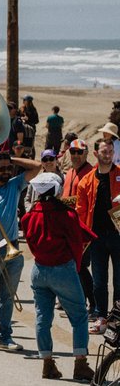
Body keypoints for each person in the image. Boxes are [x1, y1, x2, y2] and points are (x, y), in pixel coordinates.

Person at [22, 172, 94, 380]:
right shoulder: (67, 215)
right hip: (62, 269)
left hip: (39, 269)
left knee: (42, 318)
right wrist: (75, 265)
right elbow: (76, 242)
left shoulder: (29, 215)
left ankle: (47, 363)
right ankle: (80, 363)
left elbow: (31, 242)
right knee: (79, 316)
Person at [74, 137, 120, 333]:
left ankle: (116, 319)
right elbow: (80, 211)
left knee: (119, 279)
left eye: (110, 151)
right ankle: (101, 316)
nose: (108, 155)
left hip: (118, 235)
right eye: (104, 151)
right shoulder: (86, 181)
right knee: (100, 280)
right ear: (96, 154)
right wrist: (82, 237)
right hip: (97, 237)